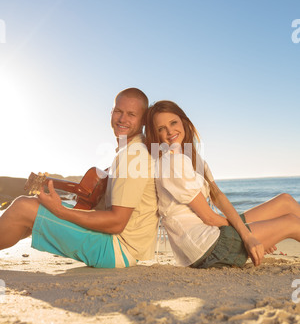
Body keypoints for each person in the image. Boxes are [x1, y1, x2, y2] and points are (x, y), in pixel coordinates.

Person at [0, 88, 159, 268]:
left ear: (144, 119)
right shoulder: (132, 151)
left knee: (22, 206)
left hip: (117, 250)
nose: (122, 119)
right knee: (33, 211)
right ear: (111, 112)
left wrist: (61, 211)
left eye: (131, 114)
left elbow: (117, 223)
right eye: (118, 111)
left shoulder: (133, 156)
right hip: (123, 248)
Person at [145, 100, 300, 268]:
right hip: (207, 248)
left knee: (285, 201)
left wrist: (257, 230)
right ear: (156, 135)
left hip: (211, 236)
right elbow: (209, 218)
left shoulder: (193, 158)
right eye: (161, 129)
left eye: (173, 122)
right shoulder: (172, 162)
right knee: (292, 222)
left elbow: (218, 197)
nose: (169, 131)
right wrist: (249, 235)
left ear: (183, 121)